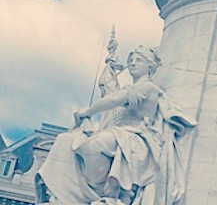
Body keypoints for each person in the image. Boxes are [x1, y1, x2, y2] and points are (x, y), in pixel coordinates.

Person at [36, 46, 195, 205]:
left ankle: (97, 191)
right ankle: (65, 192)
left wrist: (88, 112)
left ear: (150, 67)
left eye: (139, 60)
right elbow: (112, 96)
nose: (133, 63)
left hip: (138, 138)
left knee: (96, 145)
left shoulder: (148, 87)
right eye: (131, 60)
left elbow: (115, 99)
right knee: (65, 140)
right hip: (119, 133)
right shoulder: (132, 88)